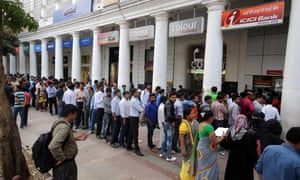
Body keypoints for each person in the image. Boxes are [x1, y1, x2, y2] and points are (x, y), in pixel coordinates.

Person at [48, 104, 88, 180]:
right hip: (66, 164)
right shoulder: (64, 128)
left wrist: (77, 138)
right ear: (70, 114)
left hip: (66, 163)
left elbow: (63, 139)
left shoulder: (59, 122)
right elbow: (53, 145)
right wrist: (61, 158)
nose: (76, 116)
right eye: (75, 114)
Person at [221, 115, 257, 180]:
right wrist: (254, 162)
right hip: (245, 162)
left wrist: (223, 138)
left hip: (233, 160)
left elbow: (225, 146)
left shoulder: (231, 133)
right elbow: (252, 151)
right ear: (246, 122)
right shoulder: (250, 135)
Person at [194, 111, 226, 180]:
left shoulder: (200, 124)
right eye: (212, 117)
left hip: (201, 149)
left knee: (202, 166)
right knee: (210, 166)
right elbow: (215, 142)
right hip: (207, 150)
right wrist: (222, 137)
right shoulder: (209, 127)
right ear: (210, 118)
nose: (213, 119)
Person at [179, 108, 199, 180]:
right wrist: (184, 150)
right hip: (188, 148)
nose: (193, 115)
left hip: (195, 147)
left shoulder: (195, 122)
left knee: (194, 163)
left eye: (193, 113)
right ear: (187, 116)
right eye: (191, 114)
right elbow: (181, 138)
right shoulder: (184, 124)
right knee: (187, 163)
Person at [160, 92, 177, 161]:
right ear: (169, 97)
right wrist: (173, 121)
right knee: (169, 140)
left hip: (166, 122)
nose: (174, 99)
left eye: (175, 97)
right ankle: (169, 156)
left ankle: (161, 152)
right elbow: (169, 115)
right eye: (173, 97)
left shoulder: (167, 103)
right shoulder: (169, 104)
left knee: (165, 138)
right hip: (169, 123)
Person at [127, 88, 144, 156]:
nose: (138, 93)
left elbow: (141, 105)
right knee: (135, 134)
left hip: (134, 118)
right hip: (133, 118)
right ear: (134, 93)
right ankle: (137, 149)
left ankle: (128, 146)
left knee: (131, 133)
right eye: (137, 92)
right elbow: (140, 109)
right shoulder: (133, 100)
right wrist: (143, 109)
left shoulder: (136, 99)